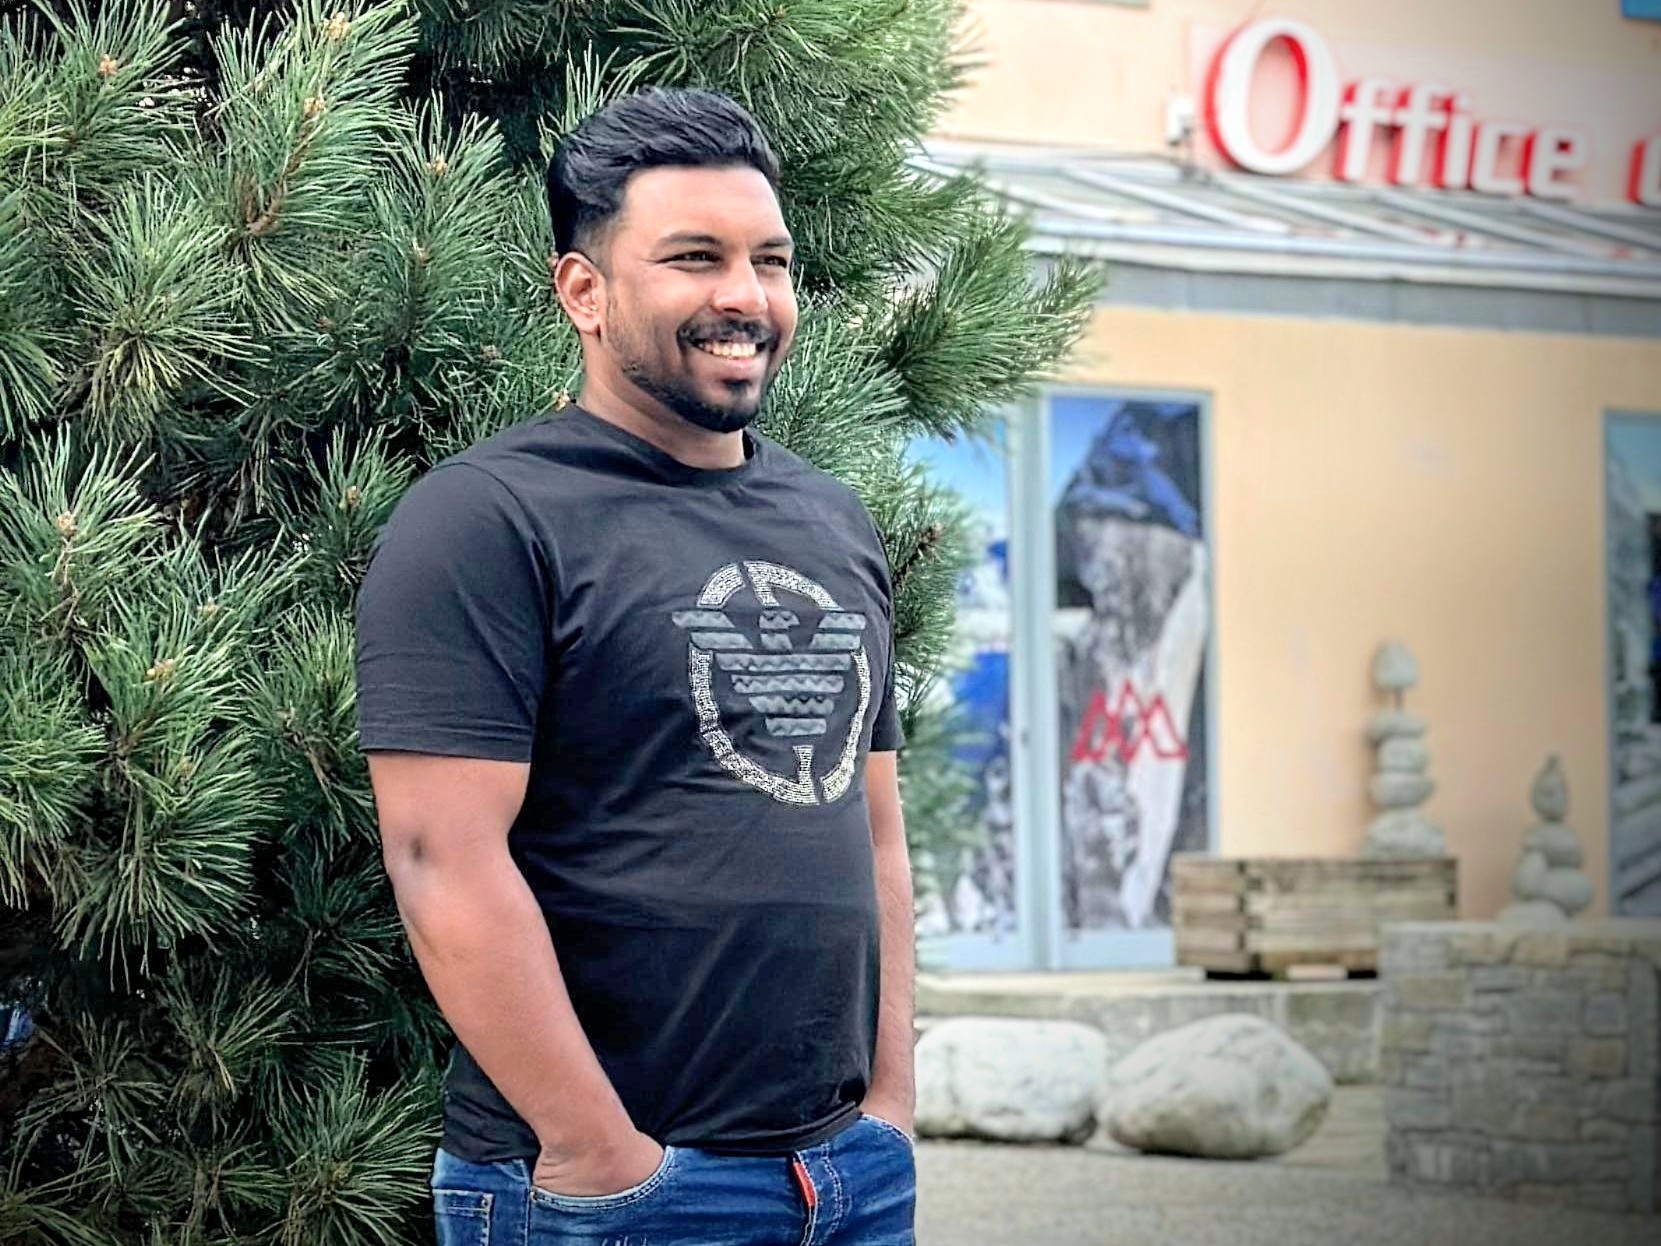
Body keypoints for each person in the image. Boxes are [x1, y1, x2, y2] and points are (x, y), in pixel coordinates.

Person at [355, 86, 917, 1245]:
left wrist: (890, 1107)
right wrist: (596, 1153)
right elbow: (439, 858)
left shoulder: (831, 519)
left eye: (769, 260)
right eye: (693, 258)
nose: (743, 295)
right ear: (584, 291)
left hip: (846, 1176)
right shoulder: (486, 518)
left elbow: (873, 833)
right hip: (608, 1190)